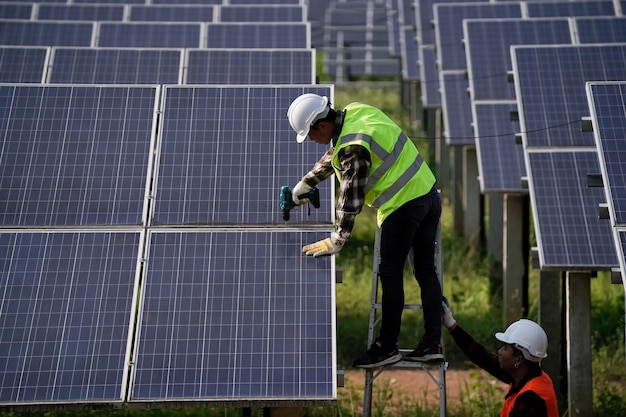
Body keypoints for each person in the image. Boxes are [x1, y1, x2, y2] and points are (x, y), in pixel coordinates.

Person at [286, 93, 443, 368]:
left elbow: (350, 198)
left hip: (402, 205)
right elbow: (337, 154)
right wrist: (308, 182)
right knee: (426, 271)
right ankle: (432, 343)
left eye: (310, 135)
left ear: (320, 126)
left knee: (390, 274)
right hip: (428, 193)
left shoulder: (353, 148)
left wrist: (337, 238)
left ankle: (387, 346)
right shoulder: (356, 112)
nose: (311, 141)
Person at [442, 299, 559, 417]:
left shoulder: (530, 398)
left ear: (518, 359)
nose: (499, 351)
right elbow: (483, 358)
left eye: (505, 348)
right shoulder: (527, 376)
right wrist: (451, 325)